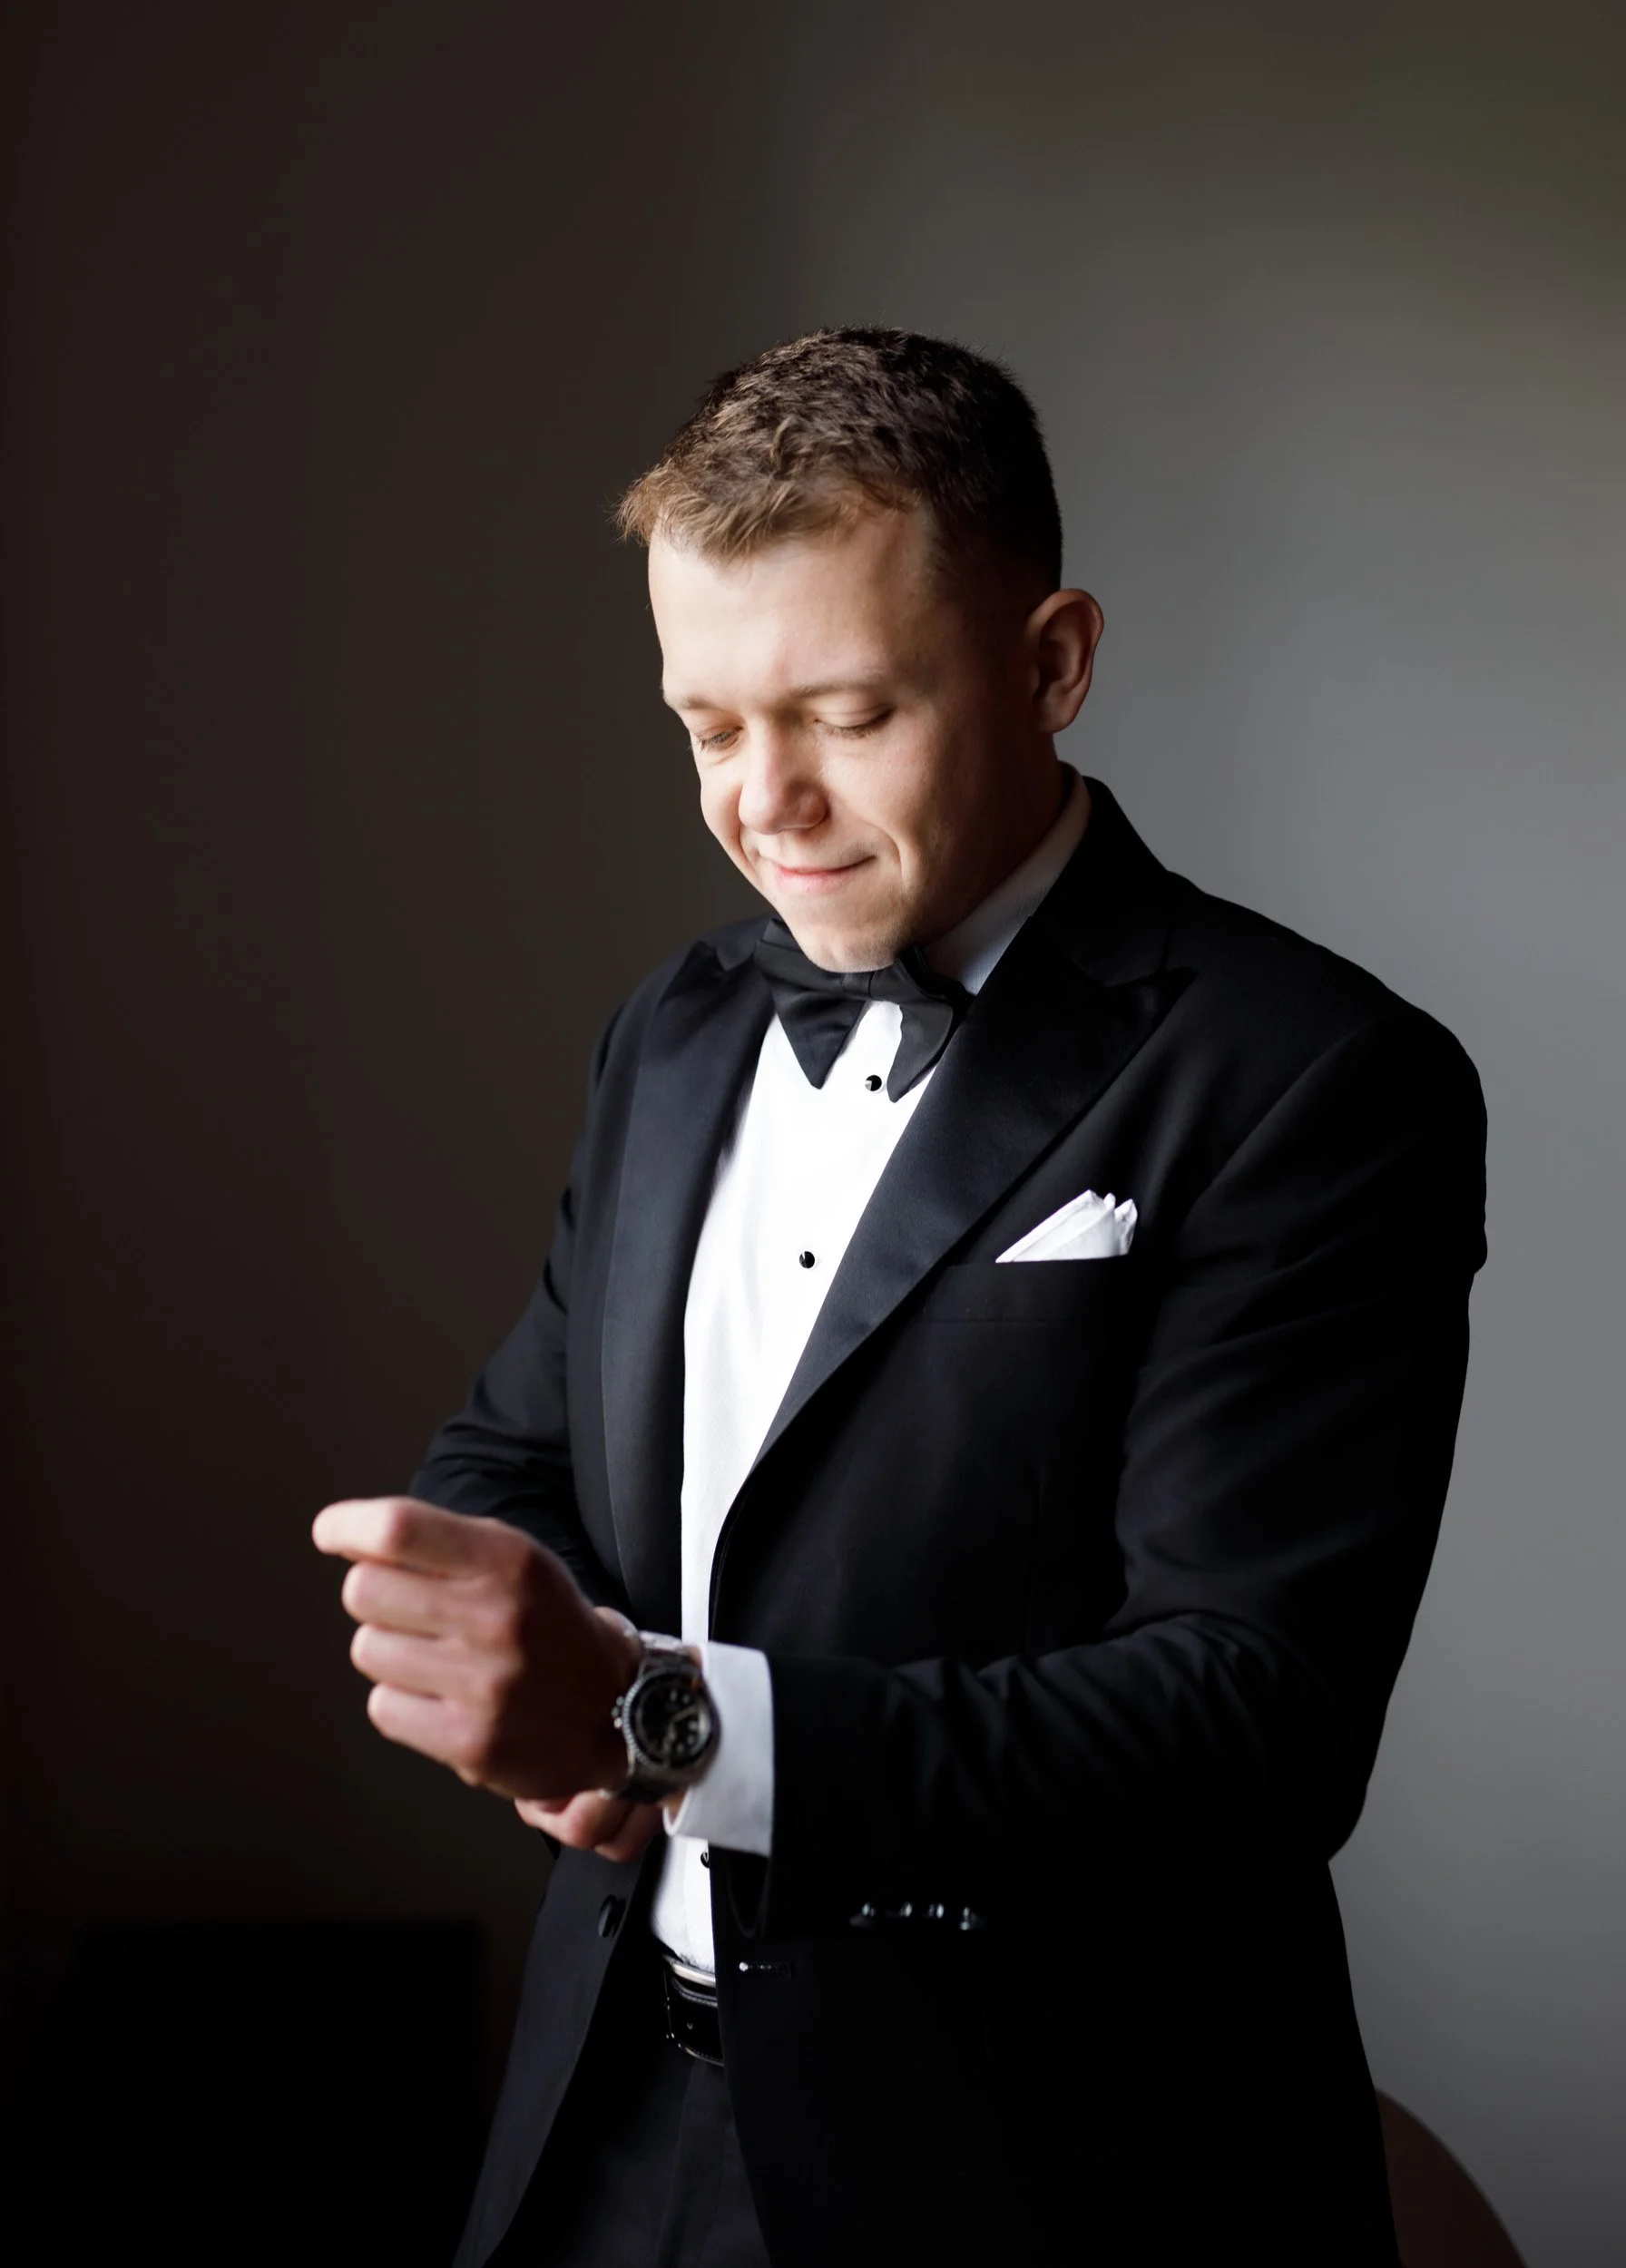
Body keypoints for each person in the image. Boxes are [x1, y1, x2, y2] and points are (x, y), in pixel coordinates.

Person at [313, 327, 1486, 2266]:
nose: (762, 801)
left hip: (1051, 2177)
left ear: (1052, 663)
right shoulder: (674, 1027)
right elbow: (514, 1452)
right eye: (706, 726)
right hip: (610, 2108)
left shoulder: (1317, 1077)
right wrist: (520, 1682)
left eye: (846, 714)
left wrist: (660, 1721)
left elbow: (1247, 1722)